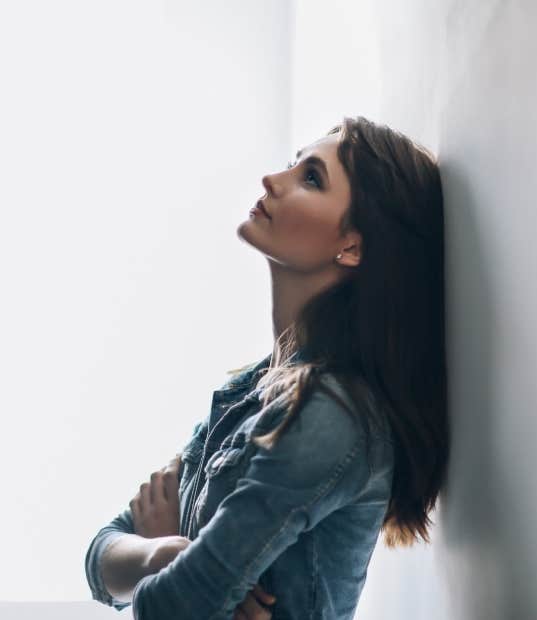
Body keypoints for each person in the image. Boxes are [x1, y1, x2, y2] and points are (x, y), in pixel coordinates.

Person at [84, 115, 449, 619]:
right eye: (292, 164)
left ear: (353, 246)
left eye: (311, 178)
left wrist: (165, 566)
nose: (273, 181)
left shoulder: (331, 412)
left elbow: (171, 607)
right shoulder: (246, 390)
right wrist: (164, 553)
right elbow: (99, 556)